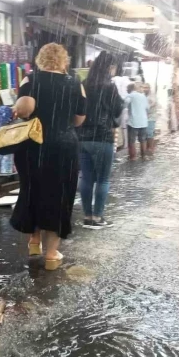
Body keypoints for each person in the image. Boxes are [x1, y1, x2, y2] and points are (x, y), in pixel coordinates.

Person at [10, 43, 86, 270]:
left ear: (40, 59)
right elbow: (80, 119)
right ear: (64, 61)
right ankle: (52, 254)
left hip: (33, 145)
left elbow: (24, 110)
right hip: (64, 146)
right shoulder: (75, 83)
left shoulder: (30, 80)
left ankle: (34, 240)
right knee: (59, 195)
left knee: (33, 189)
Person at [79, 51, 123, 229]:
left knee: (86, 178)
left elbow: (78, 109)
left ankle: (87, 216)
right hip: (103, 137)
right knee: (103, 179)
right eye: (113, 67)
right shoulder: (109, 87)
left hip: (82, 138)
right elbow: (117, 110)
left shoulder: (84, 84)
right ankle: (98, 217)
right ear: (109, 67)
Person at [124, 83, 150, 160]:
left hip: (133, 122)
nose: (126, 90)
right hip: (143, 121)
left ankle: (133, 157)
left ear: (130, 89)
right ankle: (143, 156)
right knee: (143, 140)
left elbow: (124, 105)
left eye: (127, 89)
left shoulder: (130, 96)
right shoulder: (143, 96)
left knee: (131, 141)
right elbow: (147, 107)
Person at [144, 84, 158, 157]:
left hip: (151, 117)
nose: (145, 89)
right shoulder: (144, 95)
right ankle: (147, 149)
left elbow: (153, 104)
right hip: (145, 117)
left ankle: (151, 149)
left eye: (146, 87)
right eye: (144, 87)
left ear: (149, 88)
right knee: (146, 134)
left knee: (149, 133)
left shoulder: (152, 96)